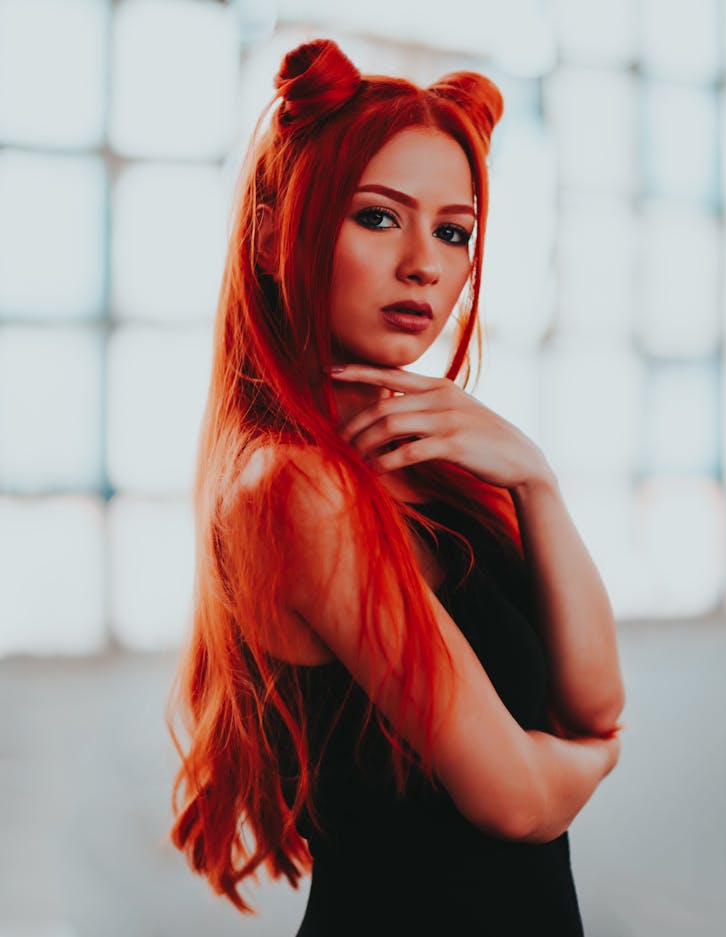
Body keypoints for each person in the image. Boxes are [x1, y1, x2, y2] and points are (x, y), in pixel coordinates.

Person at [168, 37, 626, 936]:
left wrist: (536, 477)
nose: (424, 262)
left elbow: (595, 701)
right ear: (273, 236)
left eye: (454, 232)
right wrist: (597, 762)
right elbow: (519, 802)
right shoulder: (294, 489)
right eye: (378, 217)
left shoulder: (442, 463)